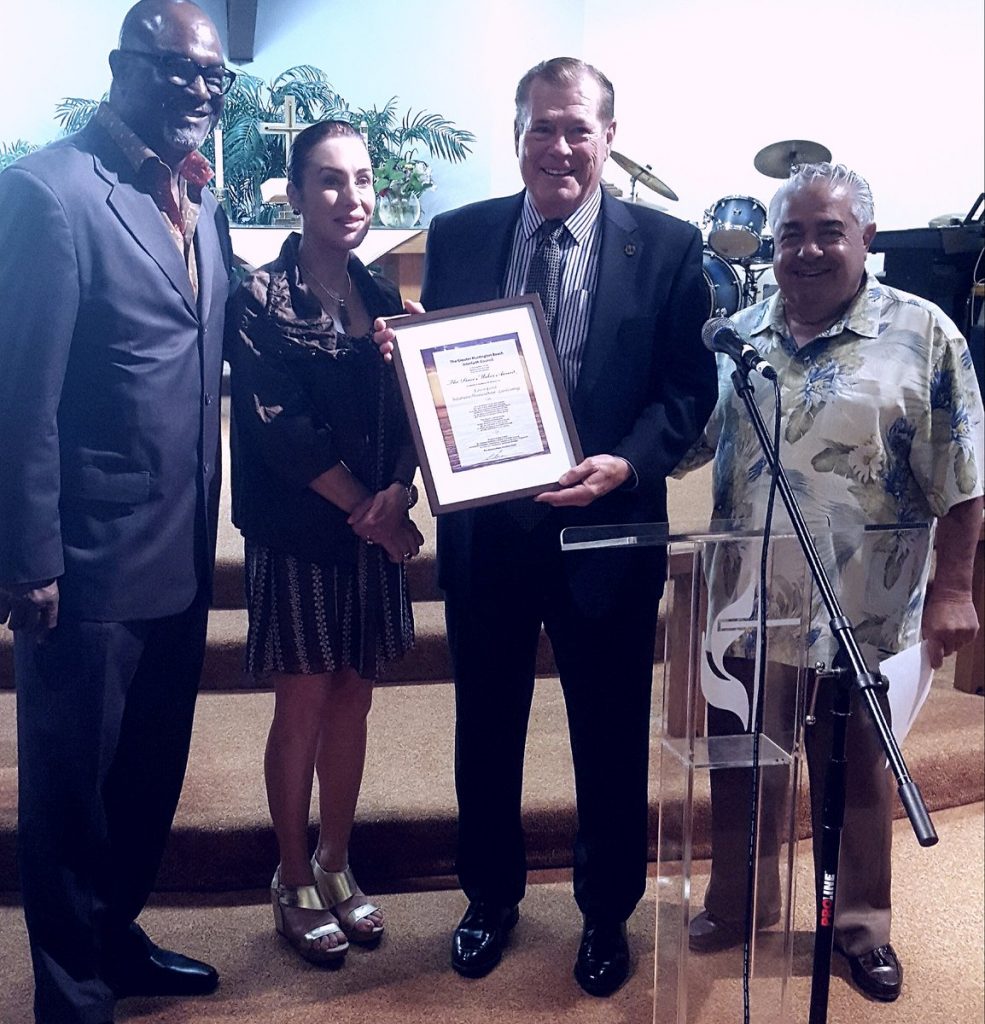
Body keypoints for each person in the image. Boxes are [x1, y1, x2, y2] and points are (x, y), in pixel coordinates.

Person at [375, 56, 717, 996]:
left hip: (607, 531)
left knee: (607, 733)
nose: (557, 147)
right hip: (488, 534)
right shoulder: (458, 235)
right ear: (516, 132)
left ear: (609, 136)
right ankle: (488, 897)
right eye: (540, 127)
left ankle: (606, 913)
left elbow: (686, 390)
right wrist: (409, 360)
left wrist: (629, 464)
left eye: (576, 128)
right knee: (485, 727)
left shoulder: (668, 244)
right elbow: (442, 372)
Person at [677, 162, 983, 1002]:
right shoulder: (737, 335)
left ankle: (858, 927)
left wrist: (954, 589)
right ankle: (739, 903)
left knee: (856, 772)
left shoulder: (922, 333)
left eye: (827, 233)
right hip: (747, 603)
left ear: (866, 239)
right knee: (744, 760)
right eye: (790, 235)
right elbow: (686, 440)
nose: (806, 250)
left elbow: (963, 477)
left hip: (866, 608)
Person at [0, 2, 235, 1021]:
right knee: (71, 794)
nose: (197, 89)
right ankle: (71, 991)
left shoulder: (202, 197)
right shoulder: (48, 192)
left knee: (146, 777)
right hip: (86, 560)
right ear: (120, 64)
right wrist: (29, 557)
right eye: (175, 67)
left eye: (212, 76)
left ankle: (115, 938)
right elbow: (20, 395)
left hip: (181, 544)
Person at [227, 120, 424, 966]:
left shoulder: (385, 298)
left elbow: (413, 417)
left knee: (354, 698)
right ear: (297, 195)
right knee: (303, 703)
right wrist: (371, 512)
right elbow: (279, 427)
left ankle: (336, 861)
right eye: (331, 180)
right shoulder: (258, 298)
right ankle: (290, 875)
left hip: (370, 530)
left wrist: (401, 489)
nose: (352, 197)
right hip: (301, 532)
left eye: (363, 179)